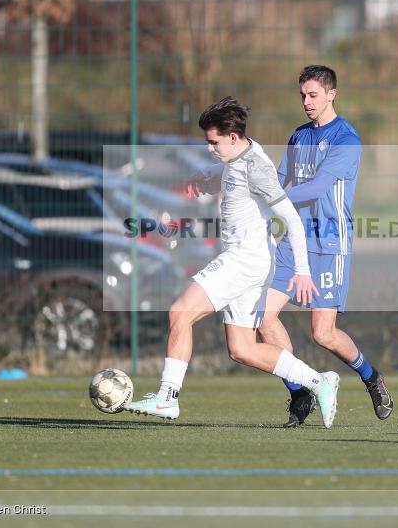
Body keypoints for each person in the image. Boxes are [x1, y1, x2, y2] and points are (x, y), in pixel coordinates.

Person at [123, 96, 341, 428]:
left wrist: (302, 272)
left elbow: (292, 221)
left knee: (179, 313)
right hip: (249, 263)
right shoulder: (236, 158)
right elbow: (229, 168)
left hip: (244, 261)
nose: (210, 148)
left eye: (213, 142)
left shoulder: (257, 169)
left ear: (233, 138)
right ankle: (319, 381)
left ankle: (167, 398)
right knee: (242, 349)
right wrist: (208, 173)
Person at [259, 65, 393, 428]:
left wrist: (273, 198)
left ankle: (370, 377)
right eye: (302, 95)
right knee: (262, 317)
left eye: (313, 95)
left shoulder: (346, 139)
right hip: (293, 241)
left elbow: (317, 188)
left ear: (331, 94)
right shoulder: (299, 136)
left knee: (323, 334)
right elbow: (277, 179)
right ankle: (302, 390)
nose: (306, 102)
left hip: (330, 242)